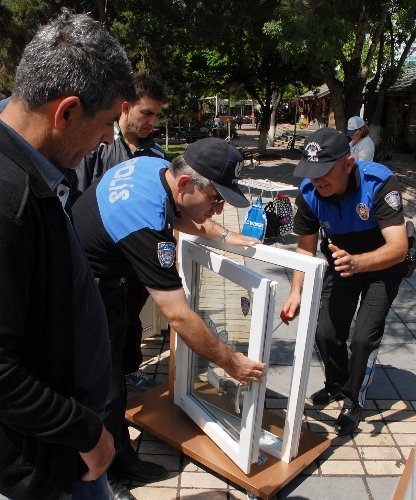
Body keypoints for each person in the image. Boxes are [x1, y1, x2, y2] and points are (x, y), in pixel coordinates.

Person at [72, 137, 265, 495]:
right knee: (104, 390)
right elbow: (177, 315)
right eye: (216, 200)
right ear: (186, 183)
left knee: (111, 382)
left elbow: (177, 214)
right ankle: (107, 479)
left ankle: (123, 460)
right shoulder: (145, 224)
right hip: (82, 290)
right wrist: (231, 361)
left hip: (100, 278)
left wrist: (223, 235)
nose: (219, 210)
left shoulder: (154, 168)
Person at [0, 8, 136, 500]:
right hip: (50, 461)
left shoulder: (29, 169)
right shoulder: (7, 198)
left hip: (66, 448)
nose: (107, 139)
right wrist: (87, 433)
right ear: (67, 111)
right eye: (105, 124)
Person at [280, 127, 408, 436]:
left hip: (383, 265)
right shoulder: (310, 194)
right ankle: (337, 384)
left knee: (363, 338)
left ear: (348, 163)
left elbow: (399, 248)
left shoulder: (378, 183)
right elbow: (305, 247)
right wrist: (296, 290)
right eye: (311, 172)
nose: (317, 179)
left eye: (324, 171)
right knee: (324, 331)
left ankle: (354, 400)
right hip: (343, 264)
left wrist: (359, 263)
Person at [76, 73, 166, 395]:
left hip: (136, 261)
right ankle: (105, 384)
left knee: (131, 318)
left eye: (156, 115)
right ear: (125, 108)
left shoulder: (155, 156)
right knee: (102, 327)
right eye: (146, 114)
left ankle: (128, 371)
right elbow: (78, 202)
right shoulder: (95, 149)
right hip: (99, 264)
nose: (152, 122)